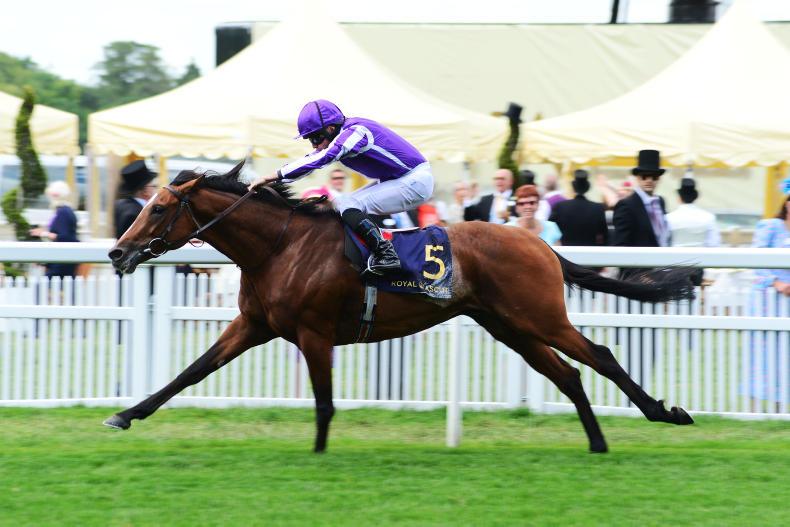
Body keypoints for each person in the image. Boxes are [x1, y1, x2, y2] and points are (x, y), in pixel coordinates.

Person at [248, 99, 433, 275]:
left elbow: (322, 158)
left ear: (331, 128)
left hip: (414, 181)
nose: (314, 145)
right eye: (310, 140)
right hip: (399, 179)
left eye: (316, 138)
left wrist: (269, 177)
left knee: (347, 204)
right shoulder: (342, 132)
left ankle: (386, 254)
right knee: (339, 204)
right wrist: (274, 180)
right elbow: (312, 159)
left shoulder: (356, 132)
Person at [747, 194, 790, 406]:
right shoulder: (771, 226)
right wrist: (776, 282)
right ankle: (754, 406)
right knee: (762, 352)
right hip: (767, 299)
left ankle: (781, 406)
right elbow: (757, 259)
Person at [613, 150, 671, 279]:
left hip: (660, 273)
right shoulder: (626, 205)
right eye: (644, 176)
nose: (649, 180)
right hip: (637, 277)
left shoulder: (661, 202)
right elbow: (621, 246)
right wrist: (637, 276)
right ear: (637, 178)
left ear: (659, 179)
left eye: (654, 177)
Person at [29, 181, 79, 278]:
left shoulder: (63, 212)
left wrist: (43, 233)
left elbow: (64, 237)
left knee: (44, 285)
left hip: (62, 261)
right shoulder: (66, 210)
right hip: (63, 258)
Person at [549, 169, 608, 246]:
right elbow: (604, 235)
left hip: (564, 251)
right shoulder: (597, 208)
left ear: (573, 187)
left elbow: (550, 230)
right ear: (587, 187)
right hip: (589, 251)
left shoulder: (560, 206)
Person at [665, 174, 721, 247]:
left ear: (679, 198)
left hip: (675, 254)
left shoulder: (668, 218)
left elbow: (664, 242)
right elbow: (714, 244)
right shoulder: (709, 217)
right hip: (701, 254)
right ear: (695, 198)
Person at [114, 160, 158, 239]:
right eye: (154, 186)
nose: (155, 190)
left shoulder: (121, 205)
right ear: (145, 191)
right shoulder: (136, 214)